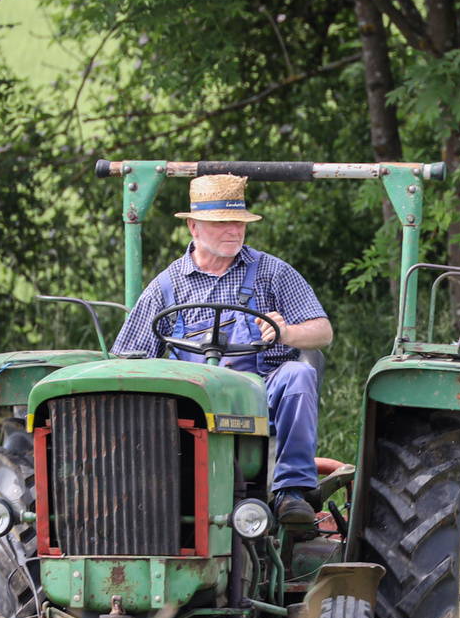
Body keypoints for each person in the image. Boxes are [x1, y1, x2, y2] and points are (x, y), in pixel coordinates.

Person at [112, 174, 332, 526]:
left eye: (239, 222)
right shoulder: (165, 288)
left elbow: (322, 331)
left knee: (299, 374)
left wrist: (286, 332)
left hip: (262, 390)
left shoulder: (272, 273)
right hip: (192, 401)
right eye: (221, 223)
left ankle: (290, 493)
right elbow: (126, 360)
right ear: (193, 227)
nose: (234, 230)